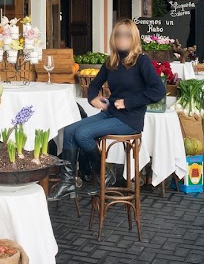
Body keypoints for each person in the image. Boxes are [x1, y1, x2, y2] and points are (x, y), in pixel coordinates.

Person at [49, 19, 164, 201]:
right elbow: (94, 85)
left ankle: (105, 172)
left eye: (127, 35)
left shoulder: (142, 62)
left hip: (130, 120)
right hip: (111, 113)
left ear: (134, 38)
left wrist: (128, 102)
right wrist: (93, 98)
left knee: (83, 134)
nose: (121, 39)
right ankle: (67, 182)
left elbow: (159, 91)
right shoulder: (112, 61)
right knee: (70, 130)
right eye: (118, 35)